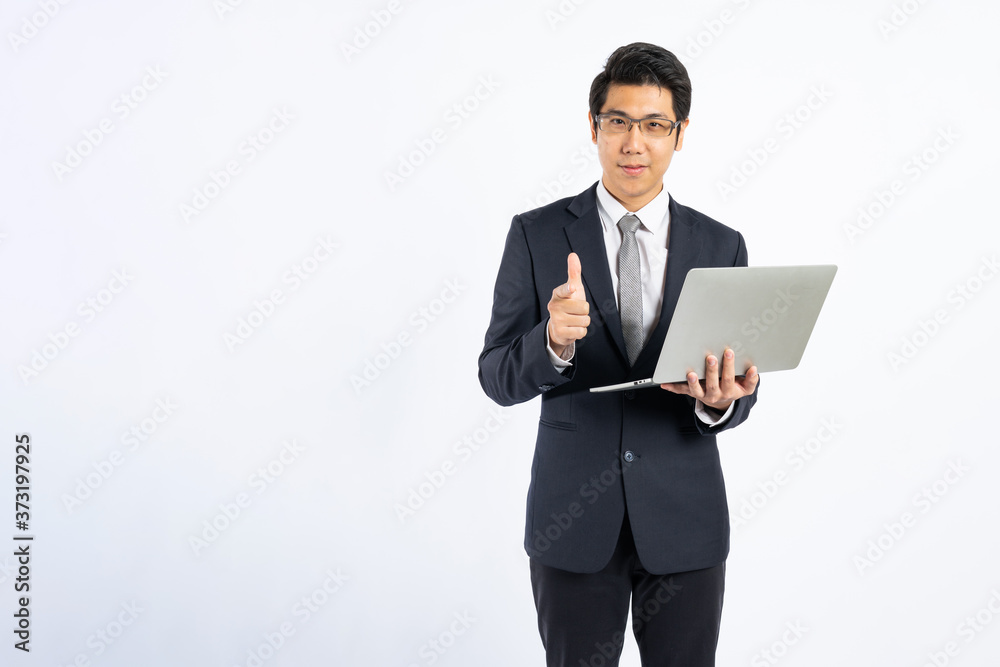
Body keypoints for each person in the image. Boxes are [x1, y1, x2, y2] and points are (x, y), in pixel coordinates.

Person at [477, 43, 761, 666]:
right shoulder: (536, 234)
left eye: (655, 125)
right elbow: (496, 375)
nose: (635, 143)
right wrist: (550, 343)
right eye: (618, 122)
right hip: (572, 523)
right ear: (594, 127)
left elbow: (742, 387)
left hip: (685, 522)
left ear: (680, 135)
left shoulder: (722, 244)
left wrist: (719, 404)